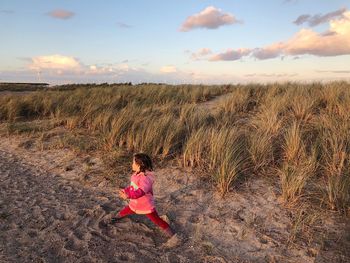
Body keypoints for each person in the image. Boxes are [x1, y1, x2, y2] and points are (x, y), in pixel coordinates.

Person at [111, 153, 174, 238]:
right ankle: (115, 218)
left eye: (133, 163)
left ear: (140, 165)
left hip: (145, 205)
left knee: (157, 220)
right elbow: (133, 187)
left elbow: (140, 192)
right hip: (135, 203)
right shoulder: (135, 175)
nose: (132, 164)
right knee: (126, 210)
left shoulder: (146, 178)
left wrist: (128, 196)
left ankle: (172, 234)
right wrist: (125, 191)